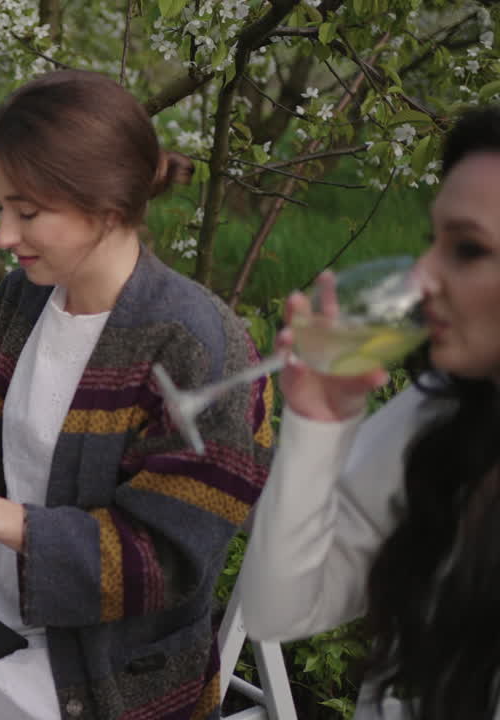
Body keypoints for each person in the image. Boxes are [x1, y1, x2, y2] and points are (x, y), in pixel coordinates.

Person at [0, 71, 275, 720]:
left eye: (27, 212)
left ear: (104, 209)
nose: (5, 237)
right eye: (3, 207)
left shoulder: (199, 349)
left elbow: (165, 563)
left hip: (98, 670)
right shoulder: (27, 296)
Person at [240, 107, 500, 720]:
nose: (423, 276)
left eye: (468, 249)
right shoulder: (437, 416)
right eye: (431, 241)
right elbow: (277, 609)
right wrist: (318, 424)